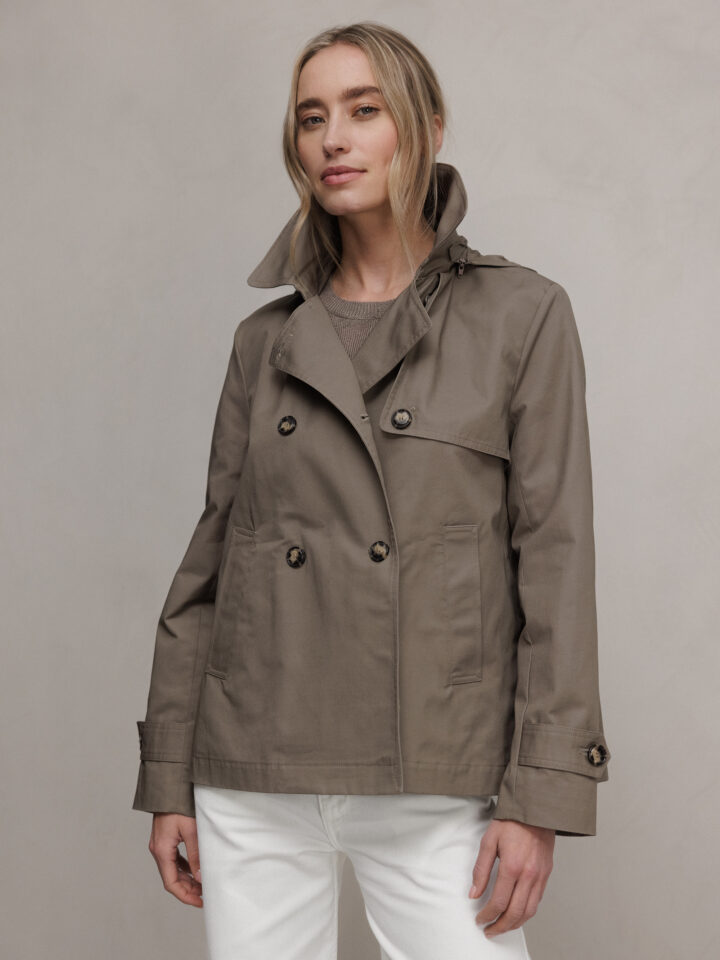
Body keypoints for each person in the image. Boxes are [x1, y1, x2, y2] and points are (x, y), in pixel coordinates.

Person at [132, 21, 611, 960]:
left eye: (363, 110)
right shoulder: (265, 340)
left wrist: (542, 791)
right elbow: (212, 566)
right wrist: (170, 773)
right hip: (254, 763)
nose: (334, 139)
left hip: (435, 765)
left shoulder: (521, 316)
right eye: (312, 118)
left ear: (425, 127)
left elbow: (556, 564)